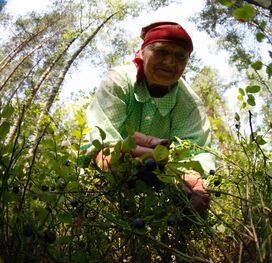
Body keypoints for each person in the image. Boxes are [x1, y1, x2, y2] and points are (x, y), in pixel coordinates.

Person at [84, 21, 216, 213]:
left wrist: (192, 178)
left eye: (180, 56)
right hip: (107, 184)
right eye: (161, 52)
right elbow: (100, 144)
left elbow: (198, 152)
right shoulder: (119, 83)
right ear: (143, 52)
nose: (170, 62)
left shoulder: (189, 105)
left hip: (163, 191)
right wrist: (116, 157)